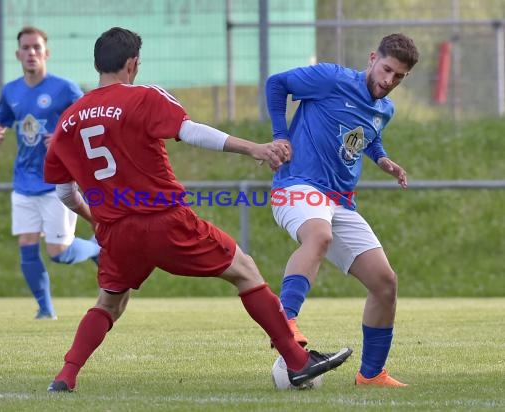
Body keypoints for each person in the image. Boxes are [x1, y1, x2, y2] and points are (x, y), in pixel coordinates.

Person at [43, 27, 353, 392]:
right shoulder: (142, 97)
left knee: (109, 303)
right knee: (246, 271)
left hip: (117, 231)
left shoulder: (68, 120)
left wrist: (98, 219)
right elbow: (190, 132)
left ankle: (66, 376)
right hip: (165, 221)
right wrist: (253, 148)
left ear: (97, 64)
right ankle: (298, 361)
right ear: (132, 63)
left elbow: (65, 193)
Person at [265, 33, 419, 387]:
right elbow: (277, 84)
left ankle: (371, 375)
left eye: (399, 77)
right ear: (371, 58)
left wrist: (382, 159)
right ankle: (284, 322)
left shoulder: (385, 108)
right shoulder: (331, 78)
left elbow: (367, 133)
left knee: (385, 283)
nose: (388, 81)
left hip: (340, 201)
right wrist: (280, 134)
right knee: (318, 235)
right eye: (386, 69)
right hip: (297, 185)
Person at [0, 26, 100, 320]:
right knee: (26, 246)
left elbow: (89, 122)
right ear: (18, 54)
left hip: (56, 181)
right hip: (23, 182)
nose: (31, 53)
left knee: (58, 252)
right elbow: (1, 119)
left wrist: (66, 136)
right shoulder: (10, 90)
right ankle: (45, 309)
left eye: (37, 48)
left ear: (46, 53)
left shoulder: (65, 89)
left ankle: (95, 249)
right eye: (26, 48)